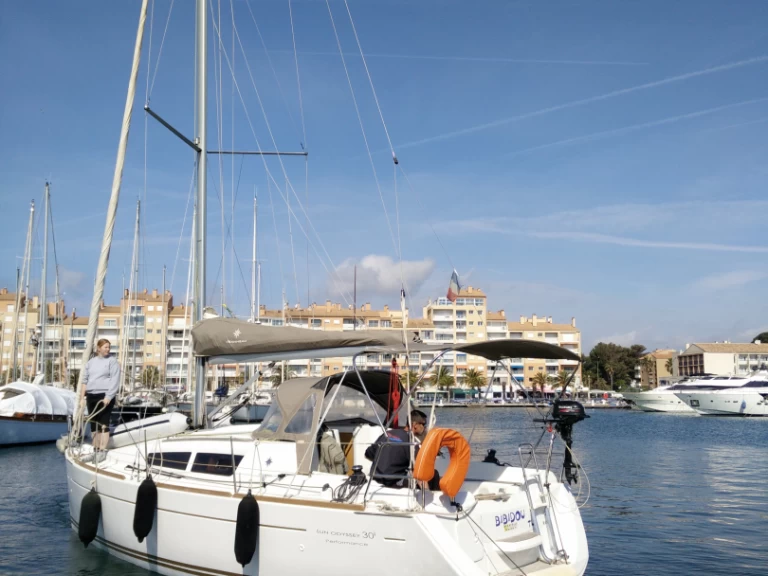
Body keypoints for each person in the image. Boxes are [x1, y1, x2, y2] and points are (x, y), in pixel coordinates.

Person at [364, 410, 432, 488]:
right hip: (393, 484)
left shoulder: (387, 434)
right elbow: (419, 475)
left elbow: (368, 454)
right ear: (415, 425)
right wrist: (427, 493)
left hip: (374, 481)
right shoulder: (412, 444)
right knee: (433, 475)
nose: (424, 427)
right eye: (423, 424)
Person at [82, 339, 120, 459]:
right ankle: (96, 449)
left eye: (109, 347)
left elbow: (115, 380)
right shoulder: (90, 363)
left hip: (105, 396)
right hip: (91, 395)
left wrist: (109, 396)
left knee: (103, 423)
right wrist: (83, 397)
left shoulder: (112, 361)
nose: (108, 349)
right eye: (105, 347)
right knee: (94, 424)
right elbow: (84, 380)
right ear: (98, 348)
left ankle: (103, 450)